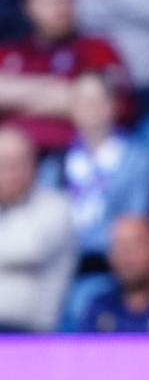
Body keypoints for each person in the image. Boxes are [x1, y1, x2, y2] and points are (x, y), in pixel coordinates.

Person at [0, 0, 131, 152]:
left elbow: (116, 107)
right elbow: (88, 100)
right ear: (28, 5)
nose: (59, 7)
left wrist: (14, 96)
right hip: (10, 159)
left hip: (76, 155)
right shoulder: (7, 53)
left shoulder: (99, 50)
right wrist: (70, 95)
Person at [40, 72, 149, 273]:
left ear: (113, 105)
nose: (90, 107)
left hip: (113, 265)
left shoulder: (137, 159)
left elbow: (137, 217)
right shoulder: (55, 162)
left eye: (97, 100)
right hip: (60, 263)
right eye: (82, 101)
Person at [0, 126, 75, 332]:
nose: (10, 172)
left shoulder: (56, 206)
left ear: (34, 165)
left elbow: (29, 249)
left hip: (31, 334)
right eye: (3, 163)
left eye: (17, 163)